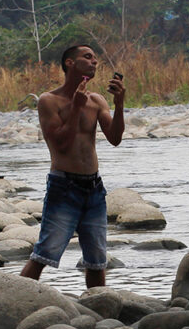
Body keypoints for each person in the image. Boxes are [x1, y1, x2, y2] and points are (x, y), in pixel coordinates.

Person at [19, 44, 125, 288]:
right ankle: (16, 297)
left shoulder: (97, 101)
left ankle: (99, 311)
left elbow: (115, 138)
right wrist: (76, 106)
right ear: (69, 63)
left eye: (96, 59)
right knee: (44, 253)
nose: (94, 62)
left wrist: (119, 104)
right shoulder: (49, 101)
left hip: (94, 188)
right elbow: (61, 144)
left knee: (97, 260)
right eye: (87, 57)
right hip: (64, 186)